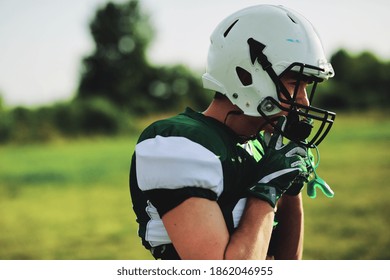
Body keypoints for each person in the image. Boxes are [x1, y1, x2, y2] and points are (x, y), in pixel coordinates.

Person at [129, 4, 336, 260]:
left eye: (306, 86)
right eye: (294, 83)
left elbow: (288, 263)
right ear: (245, 75)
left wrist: (289, 188)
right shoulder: (178, 143)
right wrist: (267, 190)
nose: (303, 101)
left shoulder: (262, 146)